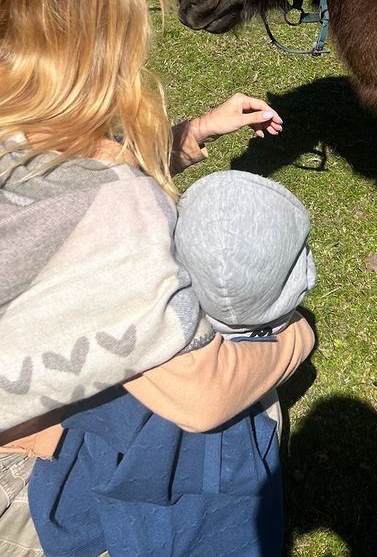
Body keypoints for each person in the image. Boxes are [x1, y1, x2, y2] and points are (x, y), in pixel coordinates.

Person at [0, 0, 315, 557]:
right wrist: (295, 338)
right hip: (20, 481)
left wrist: (191, 134)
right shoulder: (116, 218)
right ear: (112, 24)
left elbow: (57, 180)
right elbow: (199, 394)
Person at [28, 170, 316, 557]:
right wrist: (295, 334)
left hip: (82, 509)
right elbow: (208, 414)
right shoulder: (223, 420)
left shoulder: (116, 327)